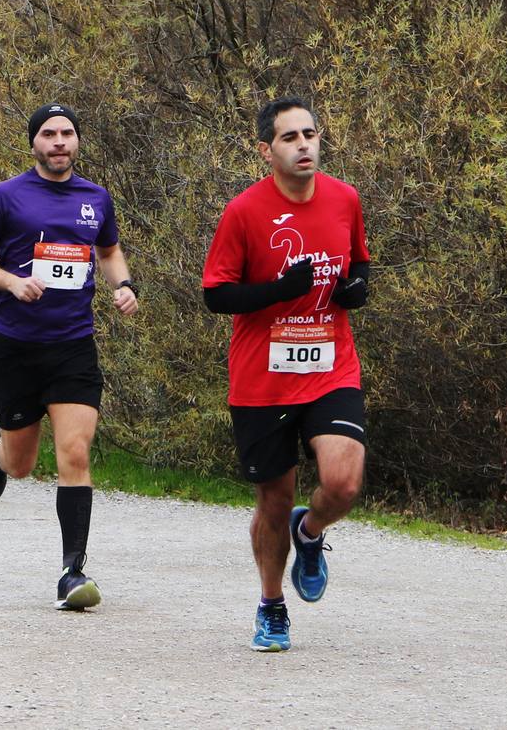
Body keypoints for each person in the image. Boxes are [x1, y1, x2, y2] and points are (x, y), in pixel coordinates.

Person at [201, 96, 371, 653]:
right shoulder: (244, 211)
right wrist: (278, 291)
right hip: (263, 379)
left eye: (310, 134)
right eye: (290, 137)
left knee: (343, 483)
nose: (303, 145)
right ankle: (272, 606)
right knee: (273, 500)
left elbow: (359, 263)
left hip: (331, 367)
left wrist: (356, 289)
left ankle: (311, 531)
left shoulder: (345, 198)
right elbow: (216, 295)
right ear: (266, 150)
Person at [0, 103, 140, 611]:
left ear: (77, 141)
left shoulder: (95, 198)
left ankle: (72, 572)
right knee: (21, 465)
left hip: (72, 346)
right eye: (48, 133)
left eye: (67, 133)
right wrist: (11, 282)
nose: (59, 141)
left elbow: (108, 251)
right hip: (14, 347)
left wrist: (124, 285)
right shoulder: (6, 196)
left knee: (75, 453)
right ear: (34, 143)